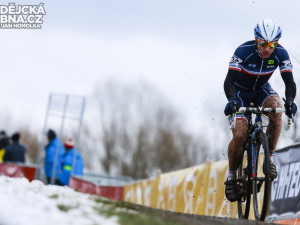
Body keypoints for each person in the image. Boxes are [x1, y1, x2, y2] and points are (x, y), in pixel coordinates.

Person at [223, 19, 297, 202]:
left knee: (276, 109)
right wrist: (232, 100)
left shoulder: (281, 54)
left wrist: (290, 101)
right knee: (240, 135)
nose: (267, 49)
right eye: (264, 44)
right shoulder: (243, 51)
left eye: (272, 45)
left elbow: (289, 81)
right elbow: (229, 81)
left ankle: (269, 159)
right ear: (257, 40)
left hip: (261, 90)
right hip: (240, 92)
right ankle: (232, 176)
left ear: (276, 44)